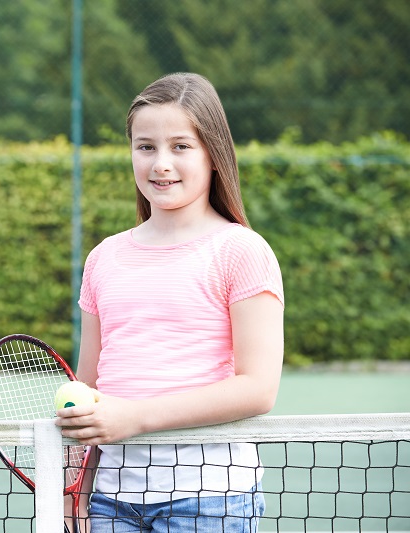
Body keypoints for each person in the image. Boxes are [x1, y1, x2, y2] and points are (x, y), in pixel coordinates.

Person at [56, 73, 284, 532]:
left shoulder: (242, 250)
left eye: (181, 146)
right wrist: (73, 490)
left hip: (211, 500)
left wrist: (133, 418)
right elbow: (86, 388)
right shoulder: (104, 257)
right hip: (111, 502)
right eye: (146, 147)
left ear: (213, 154)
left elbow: (259, 388)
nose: (161, 163)